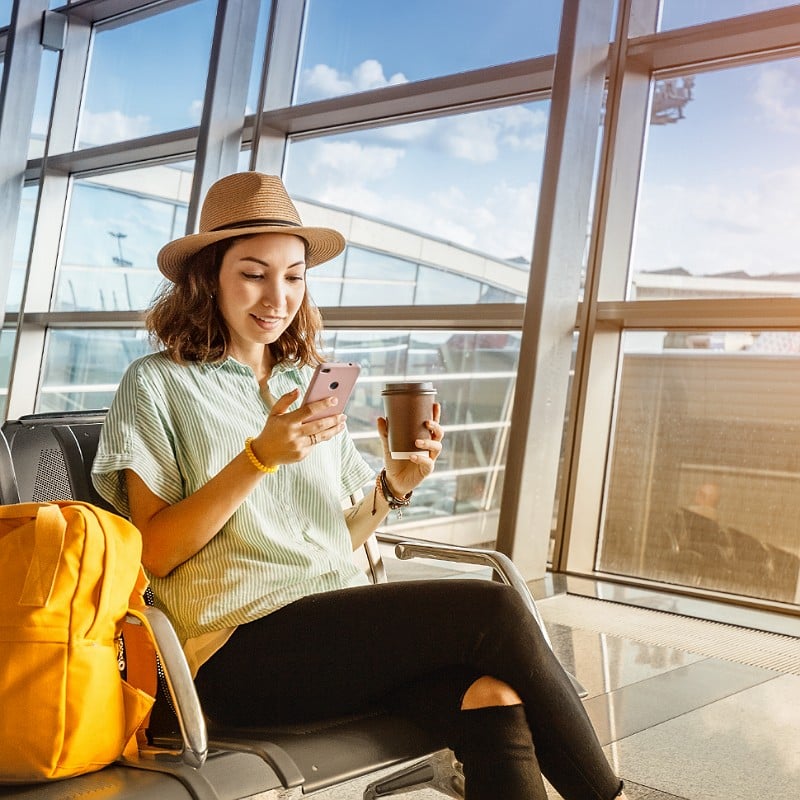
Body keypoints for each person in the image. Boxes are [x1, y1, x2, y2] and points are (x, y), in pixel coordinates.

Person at [92, 171, 626, 800]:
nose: (278, 295)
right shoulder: (155, 383)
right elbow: (154, 552)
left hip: (330, 633)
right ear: (209, 278)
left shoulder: (305, 379)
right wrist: (256, 460)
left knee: (494, 698)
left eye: (294, 276)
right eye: (254, 273)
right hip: (230, 651)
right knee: (495, 608)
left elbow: (331, 536)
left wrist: (392, 488)